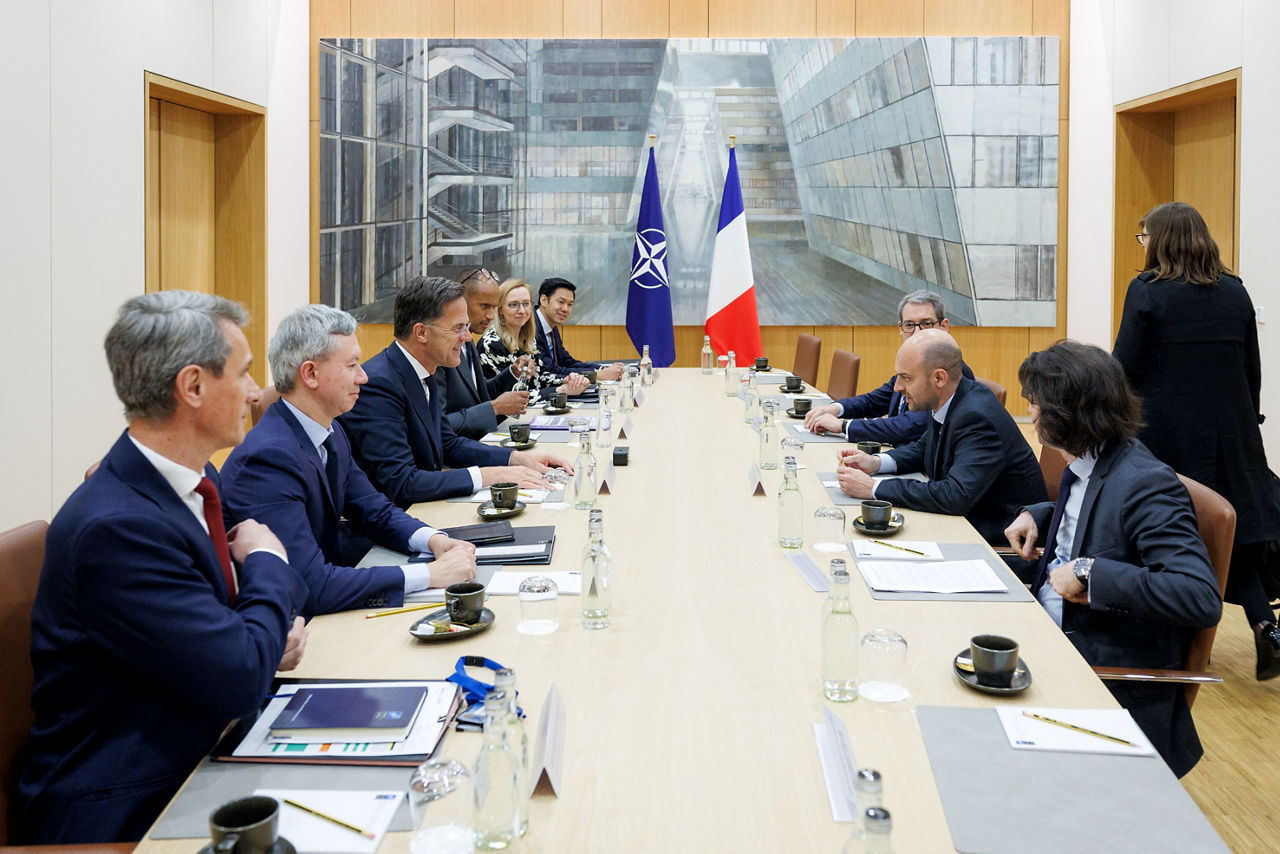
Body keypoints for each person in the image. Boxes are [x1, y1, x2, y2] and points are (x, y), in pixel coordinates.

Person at [17, 292, 309, 843]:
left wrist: (262, 639)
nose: (255, 393)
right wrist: (268, 560)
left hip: (206, 745)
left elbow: (235, 645)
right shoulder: (116, 527)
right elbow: (241, 676)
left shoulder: (192, 482)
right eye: (244, 374)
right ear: (193, 387)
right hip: (129, 802)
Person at [1005, 340, 1222, 776]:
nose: (1031, 412)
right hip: (1053, 636)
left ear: (1068, 414)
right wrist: (1042, 514)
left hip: (1105, 677)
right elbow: (1099, 516)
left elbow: (1199, 596)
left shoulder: (1145, 483)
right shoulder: (1089, 461)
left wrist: (1091, 571)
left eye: (1037, 404)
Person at [1113, 201, 1280, 681]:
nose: (1142, 247)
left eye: (1144, 238)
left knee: (1170, 531)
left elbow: (1125, 367)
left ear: (1161, 240)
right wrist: (1248, 421)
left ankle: (1179, 637)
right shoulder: (1235, 291)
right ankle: (1265, 623)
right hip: (1235, 433)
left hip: (1168, 434)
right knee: (1235, 532)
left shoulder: (1148, 292)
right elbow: (1252, 368)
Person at [220, 305, 477, 617]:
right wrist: (431, 575)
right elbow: (308, 585)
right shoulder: (266, 460)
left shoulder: (330, 429)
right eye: (353, 365)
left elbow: (375, 510)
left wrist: (434, 540)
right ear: (310, 374)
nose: (364, 376)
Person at [341, 275, 573, 507]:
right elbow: (402, 483)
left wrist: (517, 459)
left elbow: (447, 443)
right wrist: (493, 475)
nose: (466, 337)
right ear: (421, 333)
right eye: (458, 328)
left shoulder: (423, 370)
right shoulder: (379, 384)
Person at [835, 329, 1046, 544]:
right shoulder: (949, 400)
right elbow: (922, 448)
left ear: (939, 378)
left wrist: (873, 488)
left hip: (995, 544)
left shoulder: (977, 417)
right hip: (959, 526)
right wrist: (876, 463)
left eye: (906, 378)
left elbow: (955, 495)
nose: (898, 387)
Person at [803, 289, 973, 443]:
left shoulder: (953, 372)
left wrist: (843, 426)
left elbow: (909, 427)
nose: (917, 333)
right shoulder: (913, 366)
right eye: (909, 325)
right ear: (900, 328)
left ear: (943, 326)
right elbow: (873, 401)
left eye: (926, 324)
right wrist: (834, 408)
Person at [435, 267, 532, 439]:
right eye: (484, 306)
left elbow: (478, 395)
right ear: (460, 301)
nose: (490, 316)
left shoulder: (469, 339)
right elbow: (439, 424)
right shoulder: (440, 349)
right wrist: (494, 407)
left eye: (493, 308)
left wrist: (511, 373)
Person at [478, 277, 590, 397]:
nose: (522, 311)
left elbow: (539, 377)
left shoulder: (528, 339)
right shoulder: (491, 344)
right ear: (500, 310)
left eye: (526, 304)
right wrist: (560, 390)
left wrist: (566, 380)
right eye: (513, 305)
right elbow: (511, 397)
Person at [535, 276, 626, 380]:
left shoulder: (551, 326)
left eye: (570, 304)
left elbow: (568, 362)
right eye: (561, 302)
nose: (565, 309)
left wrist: (604, 368)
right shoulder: (530, 328)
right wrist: (598, 375)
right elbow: (550, 370)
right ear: (544, 300)